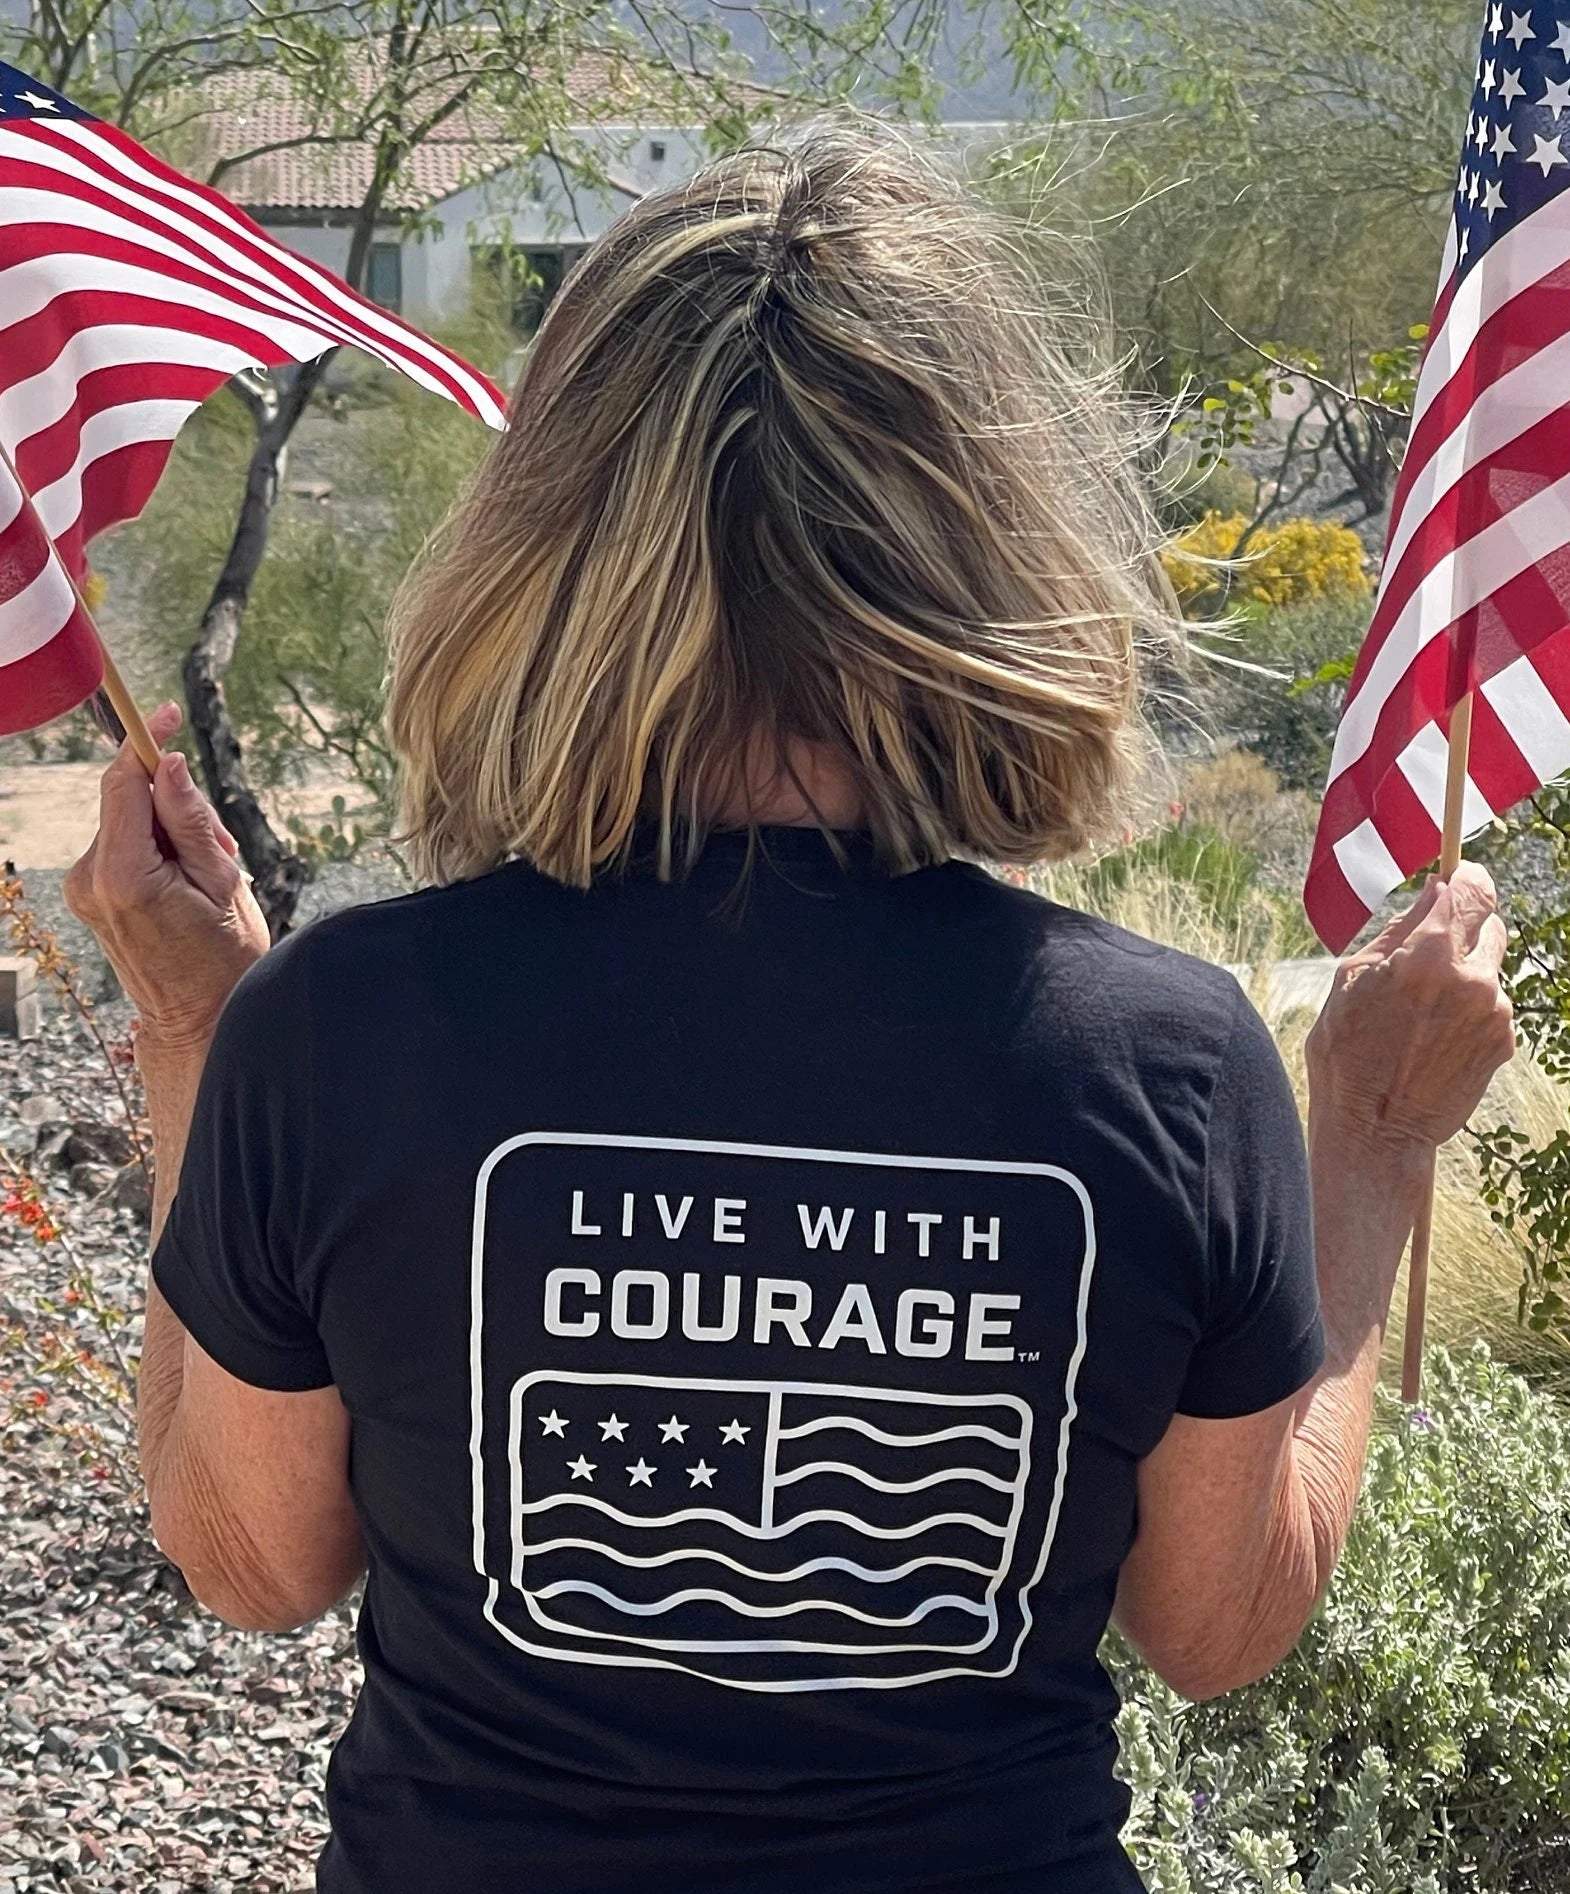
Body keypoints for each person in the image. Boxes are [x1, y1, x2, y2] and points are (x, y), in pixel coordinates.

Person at [66, 125, 1514, 1894]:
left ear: (547, 540)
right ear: (990, 539)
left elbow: (245, 1556)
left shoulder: (341, 1027)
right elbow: (1217, 1623)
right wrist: (1363, 1137)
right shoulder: (1163, 1063)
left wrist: (192, 1027)